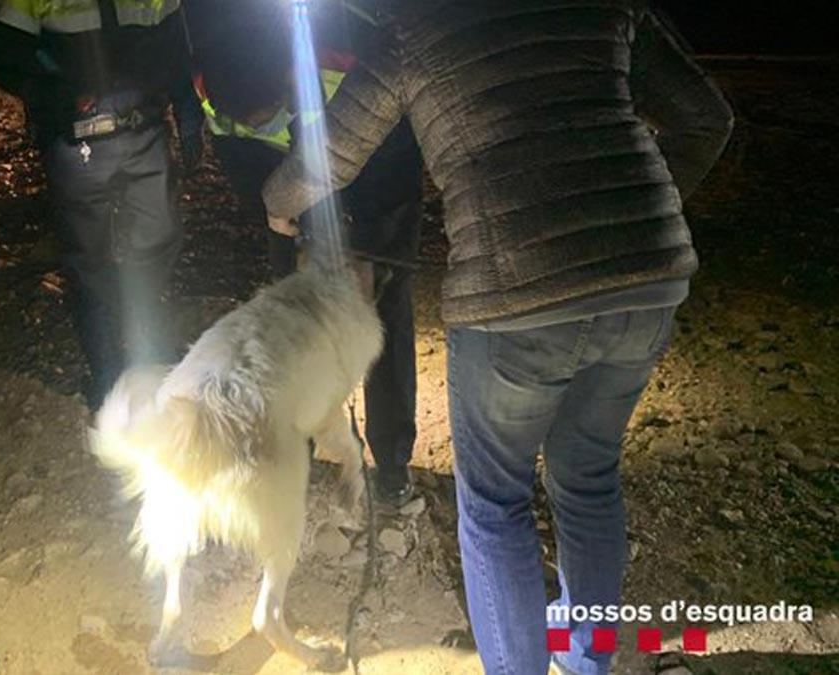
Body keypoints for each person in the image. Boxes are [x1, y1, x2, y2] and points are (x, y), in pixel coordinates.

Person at [260, 1, 733, 673]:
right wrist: (640, 213)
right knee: (590, 475)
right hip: (645, 283)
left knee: (494, 504)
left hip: (515, 296)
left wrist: (277, 203)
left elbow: (333, 156)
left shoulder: (415, 26)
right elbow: (708, 118)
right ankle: (584, 660)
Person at [191, 1, 425, 506]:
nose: (257, 120)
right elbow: (239, 153)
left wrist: (360, 242)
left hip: (380, 180)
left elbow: (396, 143)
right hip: (287, 190)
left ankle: (391, 463)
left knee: (381, 316)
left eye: (266, 110)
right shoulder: (216, 78)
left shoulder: (347, 46)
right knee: (292, 319)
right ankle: (294, 445)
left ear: (285, 77)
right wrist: (282, 212)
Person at [0, 0, 201, 409]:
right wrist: (60, 91)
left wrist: (188, 110)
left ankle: (149, 353)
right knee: (90, 259)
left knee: (158, 242)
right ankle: (106, 373)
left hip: (146, 130)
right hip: (74, 139)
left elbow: (175, 45)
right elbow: (3, 57)